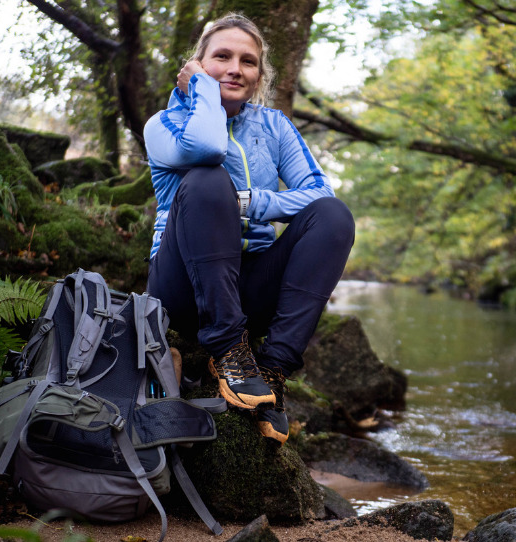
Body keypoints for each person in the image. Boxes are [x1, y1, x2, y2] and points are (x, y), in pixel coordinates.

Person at [143, 13, 355, 445]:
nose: (236, 68)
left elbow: (318, 192)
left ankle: (272, 369)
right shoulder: (164, 125)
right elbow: (207, 147)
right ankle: (228, 351)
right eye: (221, 57)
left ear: (260, 75)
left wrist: (252, 202)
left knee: (334, 215)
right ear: (197, 64)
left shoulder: (274, 125)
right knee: (205, 177)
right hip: (182, 287)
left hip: (248, 284)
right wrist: (202, 90)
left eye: (248, 61)